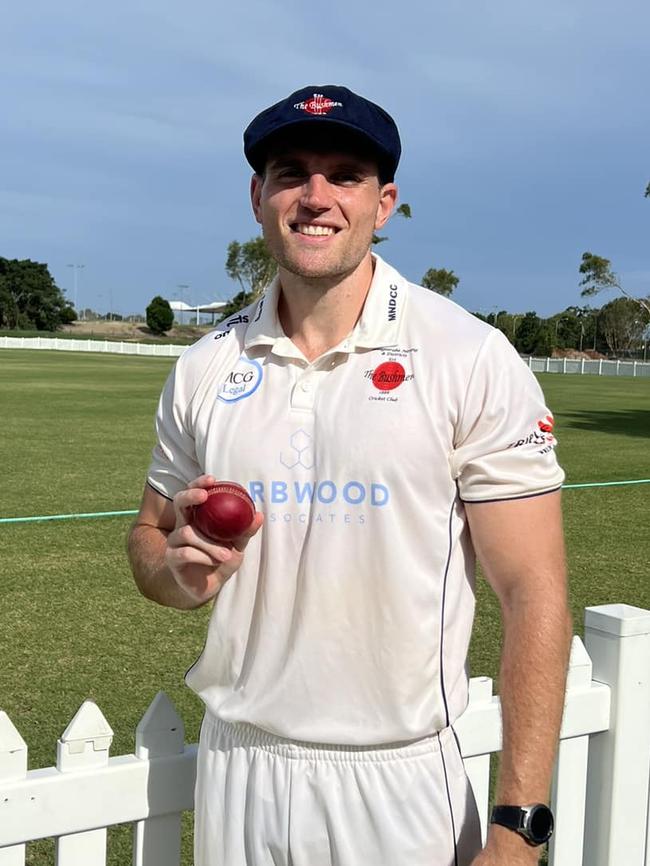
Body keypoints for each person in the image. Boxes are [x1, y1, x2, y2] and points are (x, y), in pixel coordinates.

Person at [127, 84, 572, 866]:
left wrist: (519, 824)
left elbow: (534, 594)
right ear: (259, 196)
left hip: (397, 779)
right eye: (292, 171)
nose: (316, 196)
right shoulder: (204, 366)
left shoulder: (467, 356)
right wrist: (172, 573)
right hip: (239, 765)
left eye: (345, 175)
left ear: (385, 202)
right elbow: (149, 539)